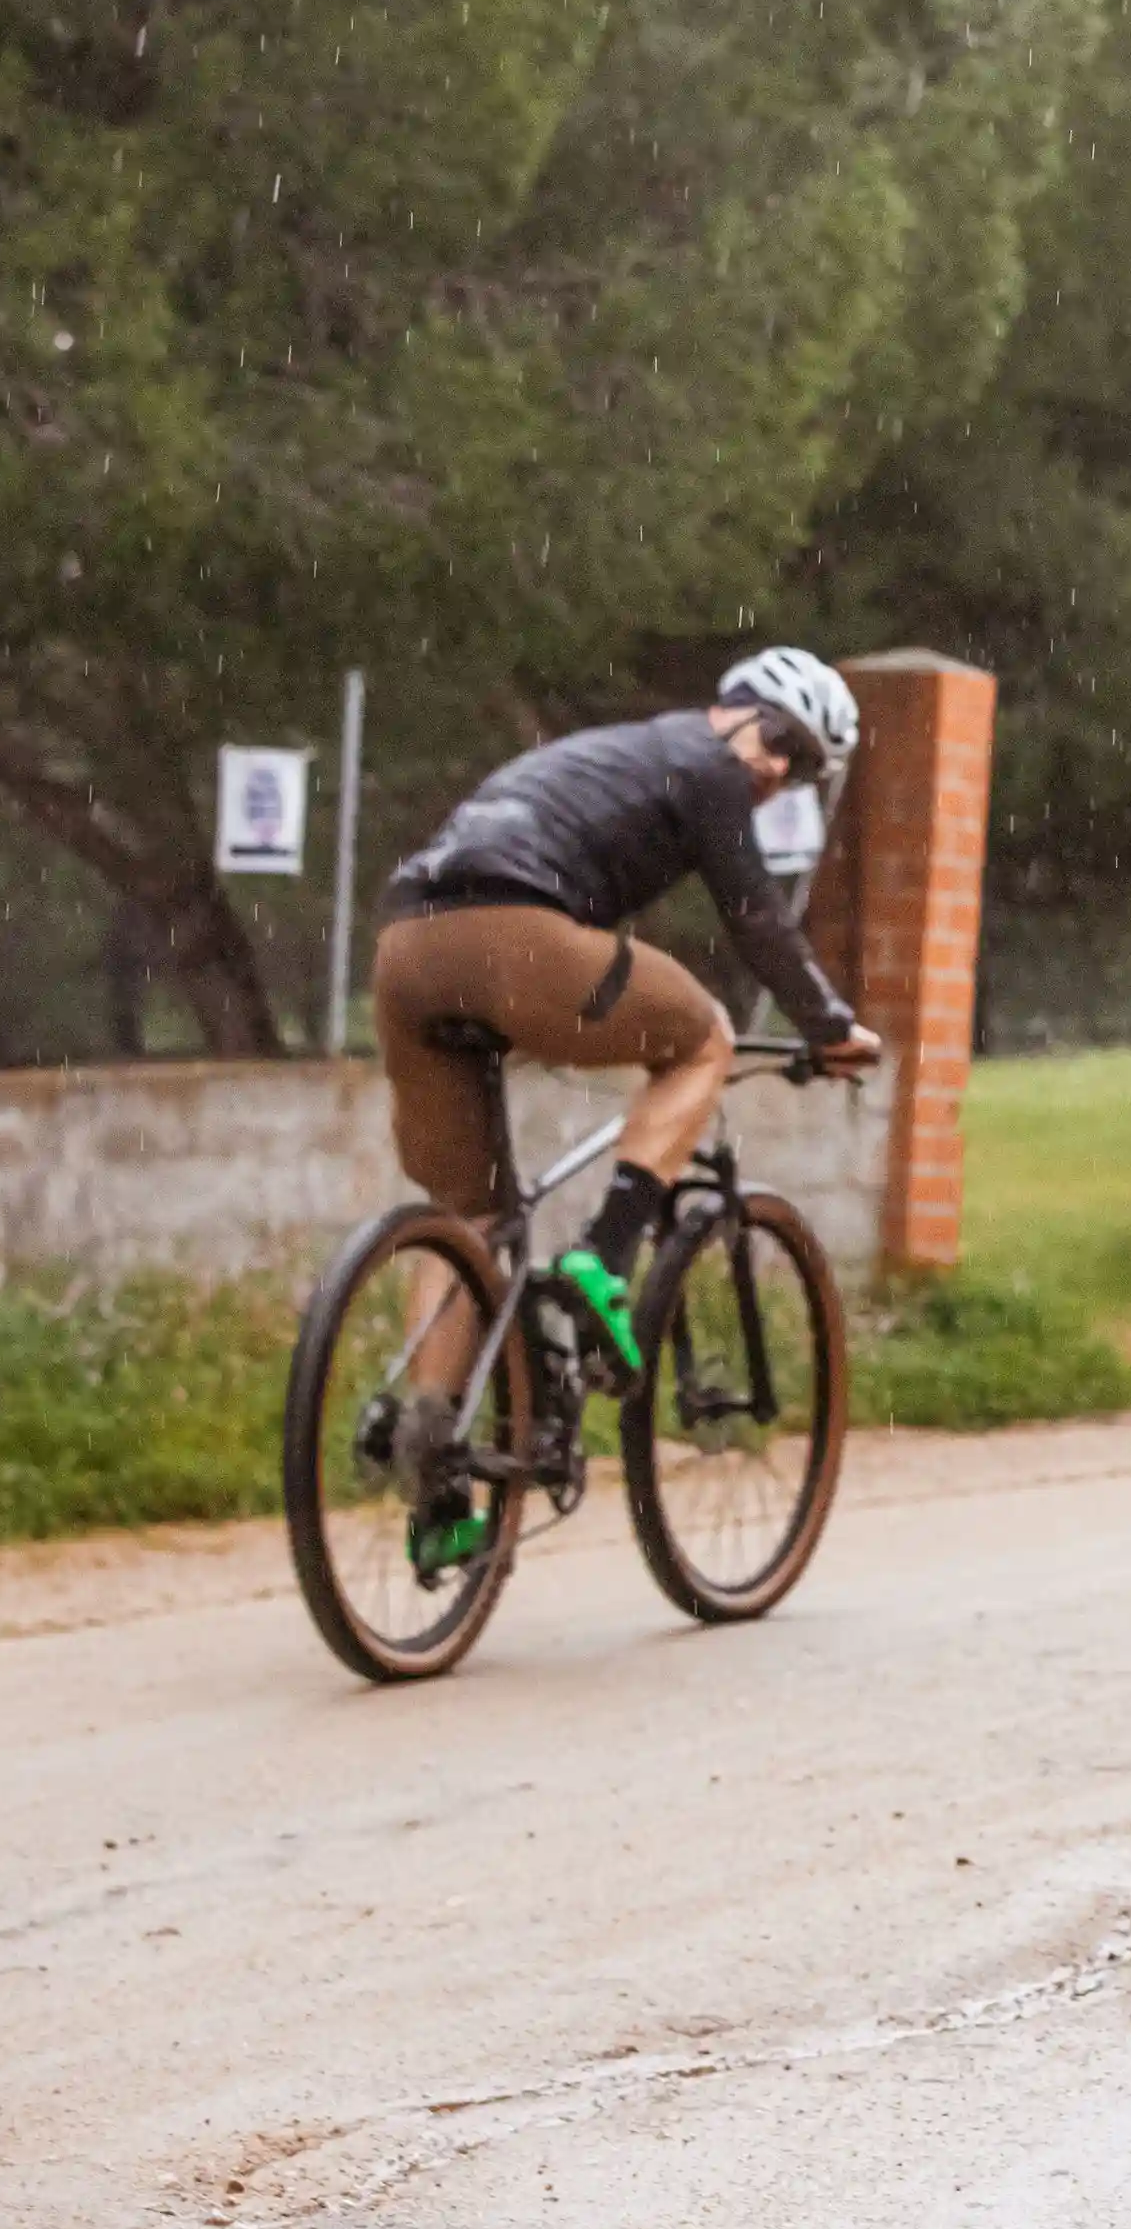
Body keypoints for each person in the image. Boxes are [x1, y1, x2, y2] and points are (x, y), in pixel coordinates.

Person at [371, 649, 884, 1559]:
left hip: (406, 948)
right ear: (734, 711)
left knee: (469, 1218)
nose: (777, 770)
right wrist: (832, 1025)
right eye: (780, 741)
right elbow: (756, 916)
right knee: (704, 1039)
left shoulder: (619, 752)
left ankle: (435, 1477)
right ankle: (603, 1259)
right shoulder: (704, 761)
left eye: (802, 768)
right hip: (514, 931)